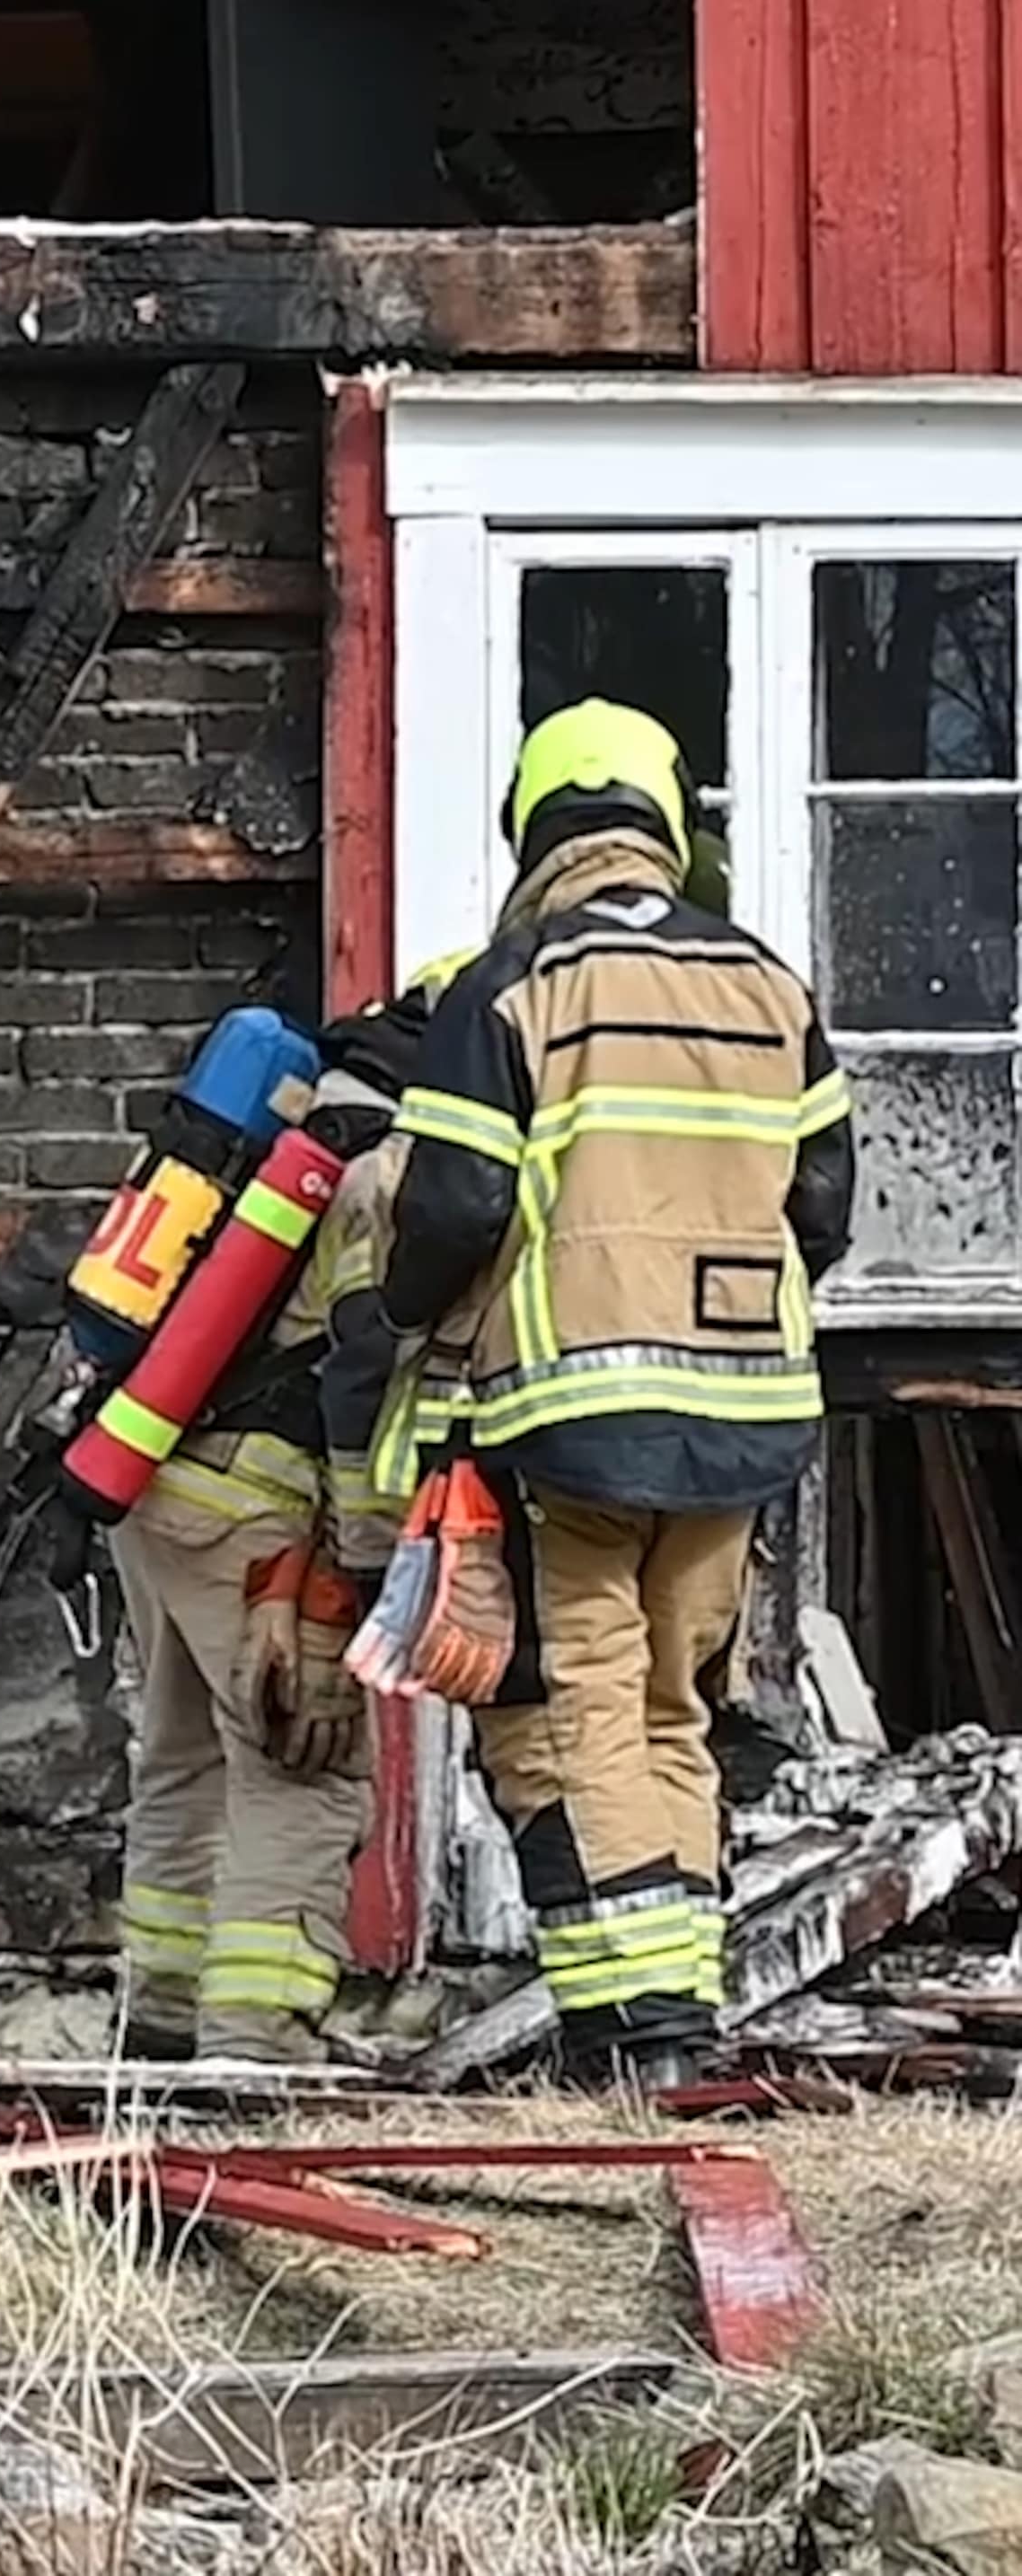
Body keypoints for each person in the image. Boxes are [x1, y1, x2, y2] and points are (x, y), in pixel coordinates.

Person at [367, 699, 854, 2090]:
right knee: (672, 1706)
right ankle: (679, 2013)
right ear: (669, 825)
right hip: (744, 1417)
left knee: (576, 1705)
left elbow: (454, 1203)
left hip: (570, 1421)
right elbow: (824, 1207)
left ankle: (632, 2031)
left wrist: (399, 1310)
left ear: (534, 830)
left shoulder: (513, 984)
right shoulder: (770, 986)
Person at [103, 989, 445, 2064]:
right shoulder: (380, 1171)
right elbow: (357, 1378)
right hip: (255, 1507)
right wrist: (353, 1566)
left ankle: (160, 2021)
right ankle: (257, 2039)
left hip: (152, 1473)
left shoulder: (276, 1128)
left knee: (184, 1758)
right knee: (304, 1762)